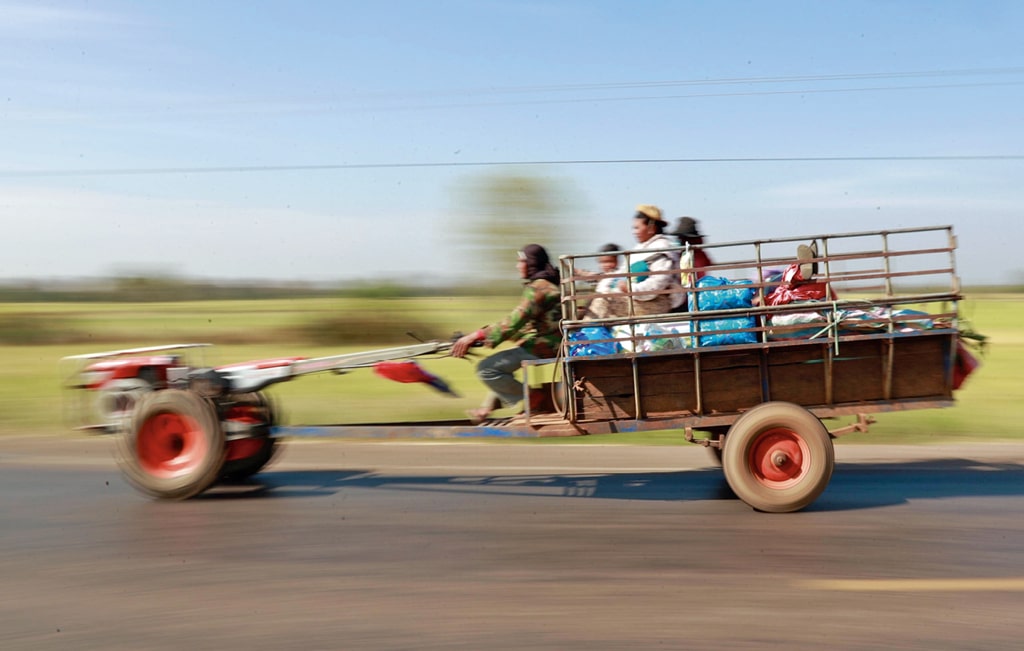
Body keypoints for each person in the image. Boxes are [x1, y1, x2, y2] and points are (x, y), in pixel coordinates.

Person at [451, 244, 562, 423]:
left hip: (546, 346)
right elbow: (526, 325)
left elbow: (513, 322)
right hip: (551, 342)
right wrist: (482, 338)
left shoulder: (538, 289)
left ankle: (532, 398)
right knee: (498, 364)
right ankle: (487, 409)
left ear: (531, 263)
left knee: (487, 369)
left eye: (520, 261)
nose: (517, 266)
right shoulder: (548, 285)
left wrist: (475, 336)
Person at [612, 205, 682, 315]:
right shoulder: (639, 249)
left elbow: (658, 283)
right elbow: (621, 272)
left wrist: (631, 289)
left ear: (651, 228)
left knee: (602, 304)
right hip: (636, 298)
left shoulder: (662, 249)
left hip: (656, 302)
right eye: (633, 228)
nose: (634, 232)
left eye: (637, 228)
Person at [668, 216, 714, 312]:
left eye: (680, 238)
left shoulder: (687, 255)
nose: (678, 240)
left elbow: (686, 279)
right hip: (697, 294)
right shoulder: (699, 253)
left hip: (688, 297)